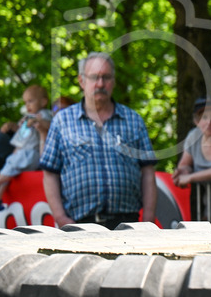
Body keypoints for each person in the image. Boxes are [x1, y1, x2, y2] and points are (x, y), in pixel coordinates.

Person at [39, 52, 157, 229]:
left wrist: (148, 218)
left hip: (128, 224)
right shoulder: (62, 121)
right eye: (94, 77)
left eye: (106, 77)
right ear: (82, 81)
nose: (100, 84)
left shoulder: (133, 120)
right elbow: (49, 173)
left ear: (113, 81)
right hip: (79, 226)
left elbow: (147, 171)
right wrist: (61, 217)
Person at [0, 84, 53, 213]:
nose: (27, 105)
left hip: (31, 154)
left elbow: (50, 126)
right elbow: (23, 136)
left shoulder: (44, 114)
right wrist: (13, 127)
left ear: (43, 102)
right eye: (25, 102)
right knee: (7, 170)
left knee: (9, 169)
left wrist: (38, 122)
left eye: (30, 101)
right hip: (21, 152)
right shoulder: (28, 117)